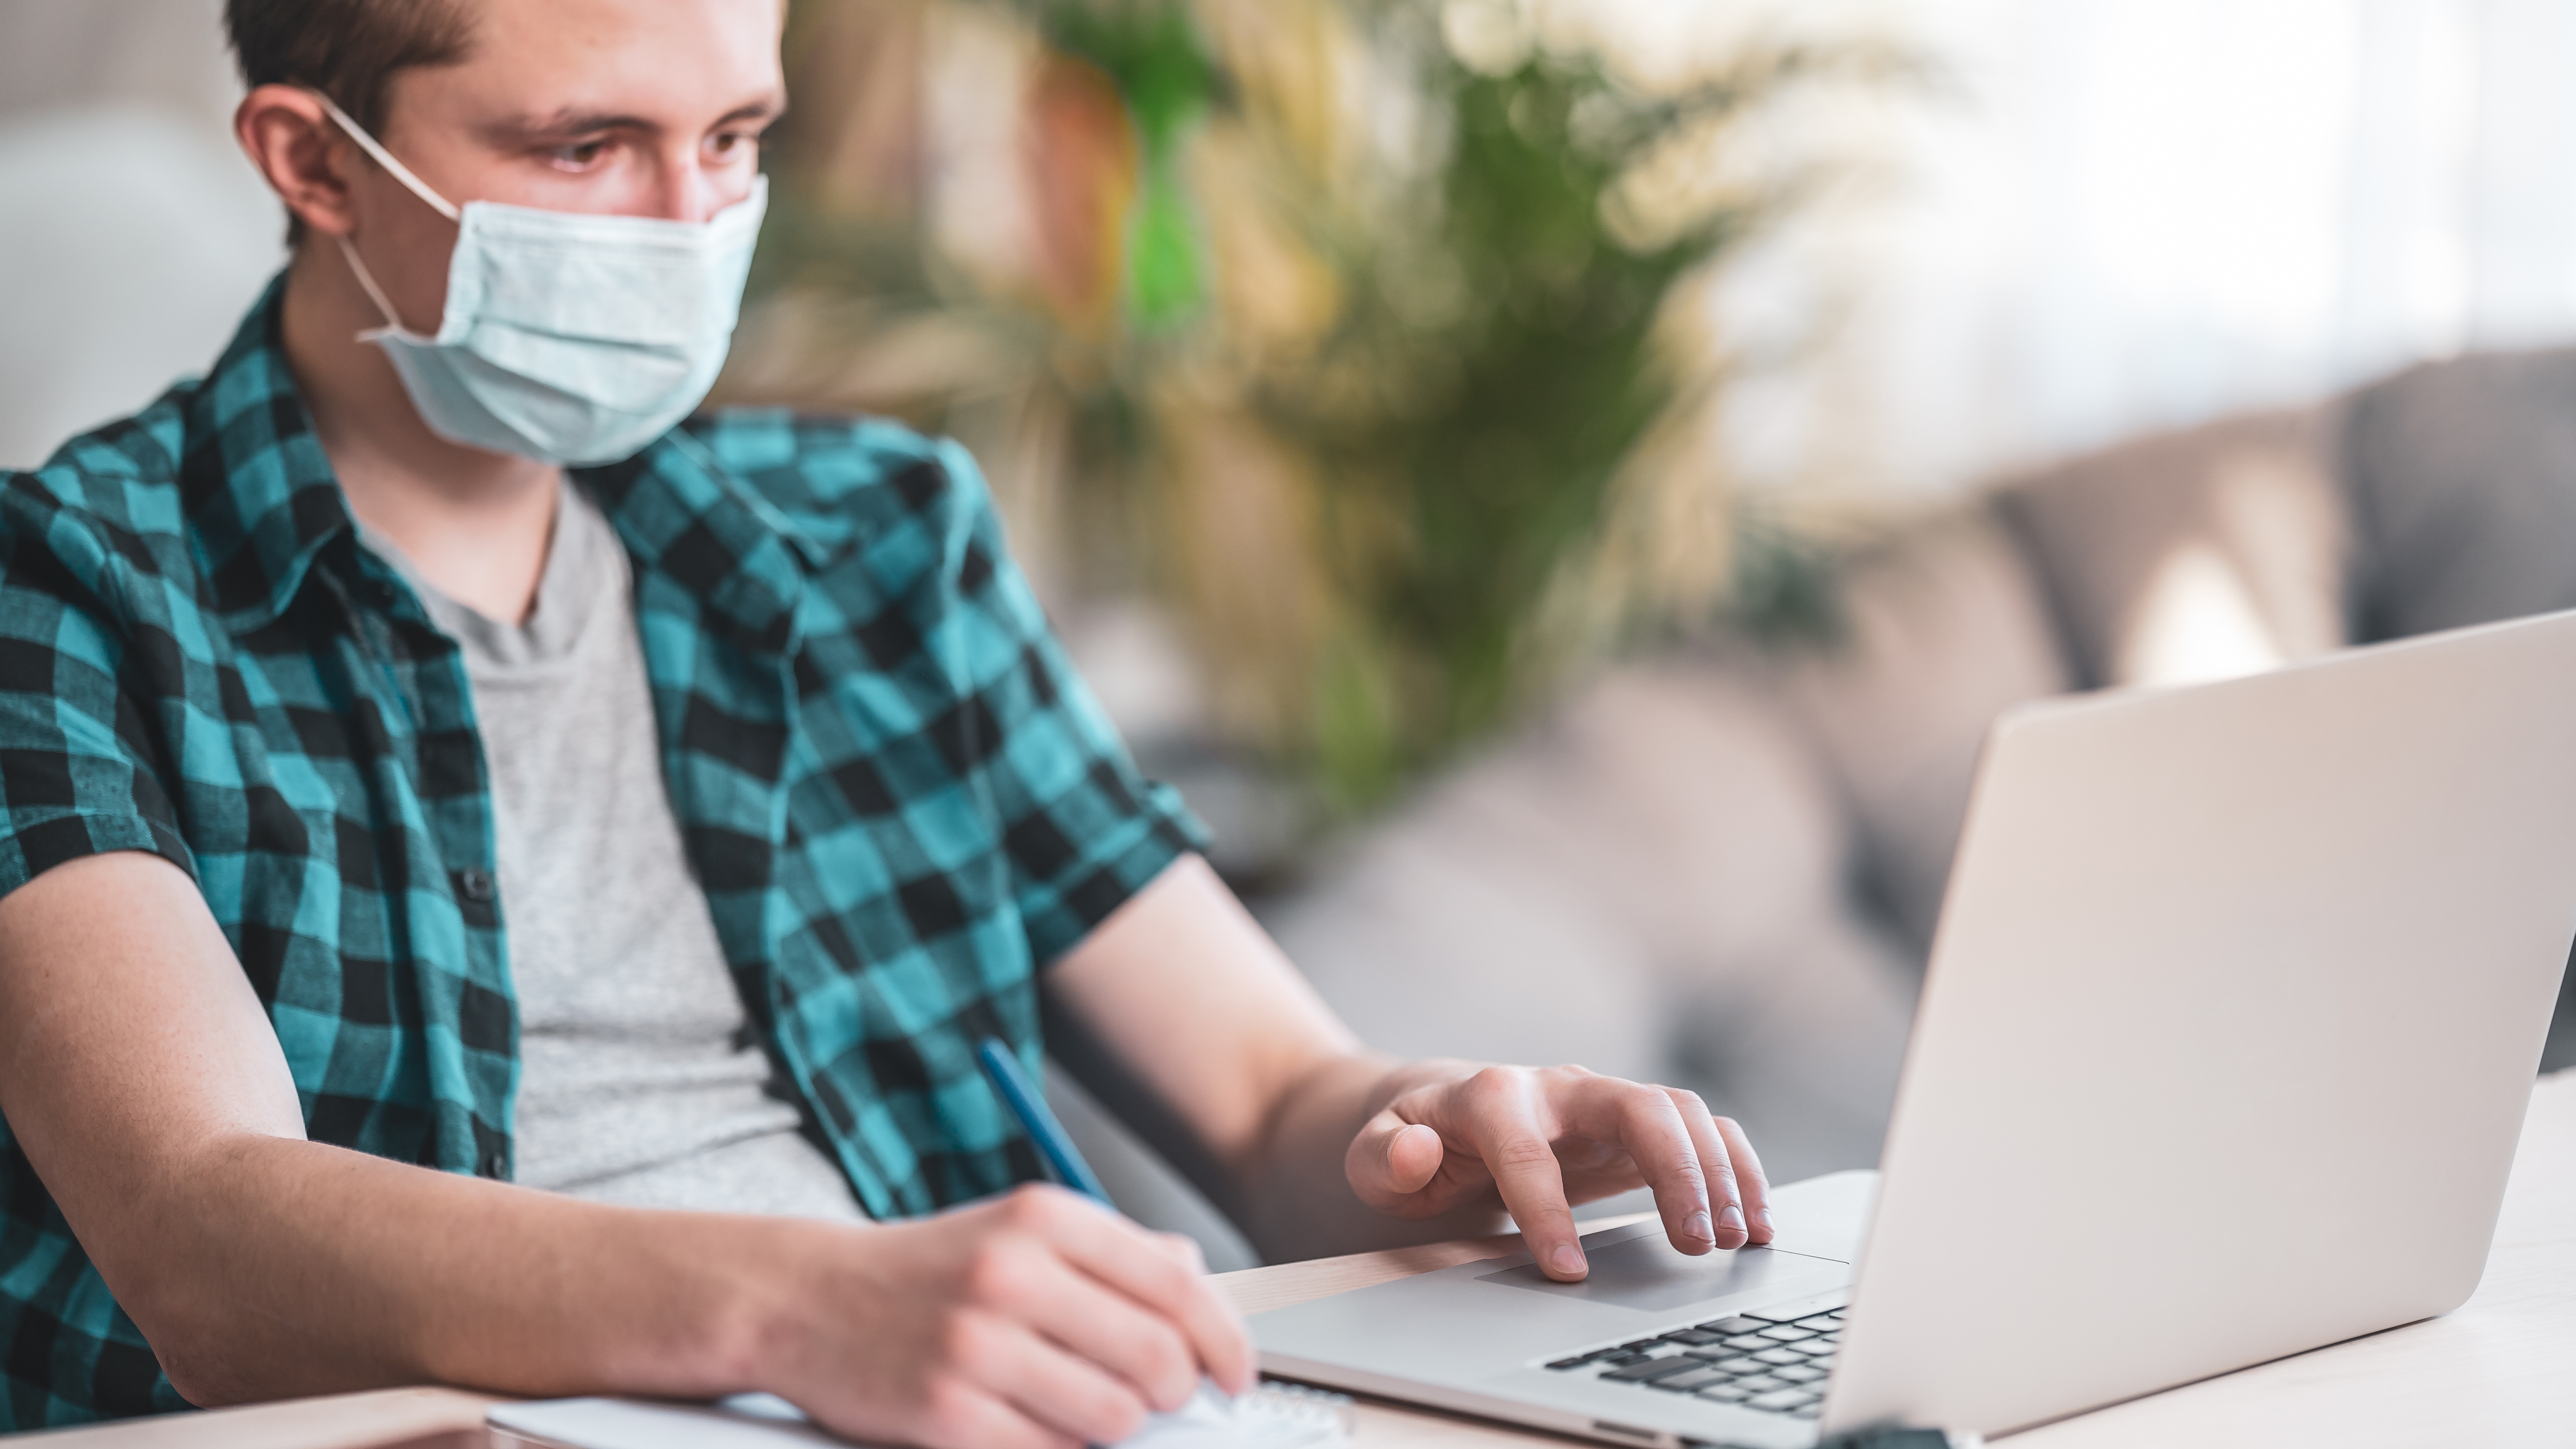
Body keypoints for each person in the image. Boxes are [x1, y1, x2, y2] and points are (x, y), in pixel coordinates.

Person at [0, 0, 1774, 1441]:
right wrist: (795, 1298)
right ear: (314, 159)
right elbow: (204, 1234)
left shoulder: (877, 543)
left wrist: (1452, 1139)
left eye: (734, 138)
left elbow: (1267, 1098)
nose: (689, 225)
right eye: (587, 146)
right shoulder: (67, 589)